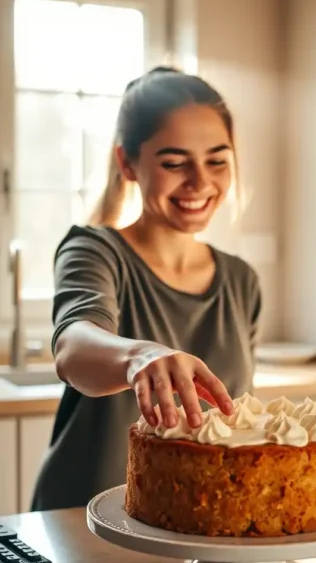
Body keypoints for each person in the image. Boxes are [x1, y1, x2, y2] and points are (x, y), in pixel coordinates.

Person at [31, 67, 262, 511]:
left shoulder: (241, 280)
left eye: (217, 160)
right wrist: (140, 357)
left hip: (197, 527)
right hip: (81, 524)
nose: (199, 181)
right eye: (174, 163)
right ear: (128, 163)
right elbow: (74, 347)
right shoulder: (95, 250)